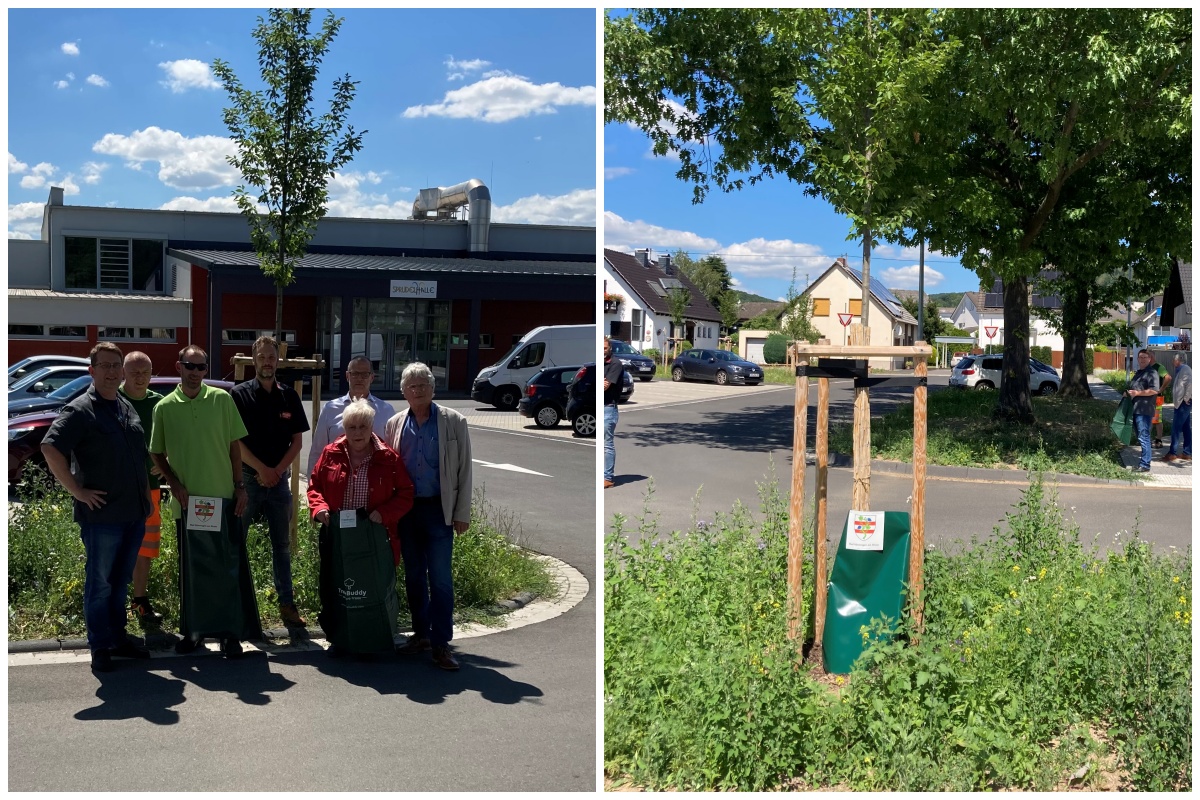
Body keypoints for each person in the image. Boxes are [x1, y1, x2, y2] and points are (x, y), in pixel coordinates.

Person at [41, 342, 152, 672]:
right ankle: (100, 645)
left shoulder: (124, 406)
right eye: (104, 365)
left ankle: (117, 638)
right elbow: (50, 448)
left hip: (134, 513)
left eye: (115, 365)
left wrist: (146, 498)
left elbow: (138, 457)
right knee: (101, 583)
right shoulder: (80, 410)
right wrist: (77, 490)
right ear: (91, 370)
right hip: (102, 517)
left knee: (120, 582)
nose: (112, 371)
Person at [150, 345, 254, 657]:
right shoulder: (164, 407)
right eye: (189, 366)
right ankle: (193, 633)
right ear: (178, 367)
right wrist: (174, 483)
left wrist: (240, 486)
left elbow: (235, 447)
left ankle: (229, 634)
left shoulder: (222, 399)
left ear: (206, 370)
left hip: (223, 499)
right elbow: (156, 452)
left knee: (227, 570)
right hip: (188, 504)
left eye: (201, 367)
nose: (195, 372)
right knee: (192, 573)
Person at [307, 398, 414, 655]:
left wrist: (385, 513)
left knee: (373, 588)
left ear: (371, 427)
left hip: (375, 534)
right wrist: (319, 508)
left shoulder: (388, 457)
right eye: (352, 427)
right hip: (339, 535)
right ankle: (341, 639)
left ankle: (376, 638)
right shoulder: (331, 452)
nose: (357, 433)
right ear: (345, 427)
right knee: (340, 588)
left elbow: (406, 493)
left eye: (363, 426)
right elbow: (315, 486)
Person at [385, 363, 472, 671]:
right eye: (412, 386)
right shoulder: (395, 424)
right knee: (413, 577)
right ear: (404, 391)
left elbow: (464, 470)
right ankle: (421, 635)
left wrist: (462, 512)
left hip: (439, 510)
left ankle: (441, 643)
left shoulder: (453, 421)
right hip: (406, 511)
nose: (418, 390)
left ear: (433, 389)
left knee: (441, 579)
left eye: (423, 385)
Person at [231, 336, 310, 628]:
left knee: (282, 546)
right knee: (235, 542)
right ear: (254, 360)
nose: (267, 362)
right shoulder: (238, 395)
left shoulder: (289, 396)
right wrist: (261, 469)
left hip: (278, 482)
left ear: (278, 360)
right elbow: (234, 442)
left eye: (271, 357)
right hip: (248, 482)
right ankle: (236, 604)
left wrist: (276, 470)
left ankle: (287, 606)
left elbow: (297, 440)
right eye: (262, 357)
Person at [119, 351, 166, 630]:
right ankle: (114, 603)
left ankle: (139, 599)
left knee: (145, 549)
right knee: (117, 546)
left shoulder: (158, 404)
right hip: (119, 491)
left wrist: (167, 461)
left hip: (150, 489)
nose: (140, 377)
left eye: (145, 372)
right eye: (134, 372)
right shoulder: (113, 399)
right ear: (124, 372)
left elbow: (172, 439)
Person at [306, 356, 395, 477]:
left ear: (372, 377)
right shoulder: (330, 409)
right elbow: (317, 451)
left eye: (364, 374)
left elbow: (393, 453)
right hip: (336, 482)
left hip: (376, 483)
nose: (359, 378)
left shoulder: (386, 411)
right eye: (355, 374)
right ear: (347, 376)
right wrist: (312, 485)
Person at [1126, 349, 1161, 473]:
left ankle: (1145, 464)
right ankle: (1143, 462)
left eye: (1145, 357)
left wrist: (1137, 393)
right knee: (1141, 437)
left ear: (1149, 359)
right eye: (1140, 357)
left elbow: (1154, 390)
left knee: (1144, 437)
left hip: (1145, 410)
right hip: (1136, 409)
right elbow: (1134, 389)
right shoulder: (1139, 372)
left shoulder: (1152, 373)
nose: (1142, 359)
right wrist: (1128, 394)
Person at [603, 337, 626, 489]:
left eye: (605, 348)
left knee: (607, 445)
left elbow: (604, 386)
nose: (602, 351)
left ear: (610, 348)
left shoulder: (615, 364)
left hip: (608, 408)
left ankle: (608, 478)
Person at [1164, 353, 1191, 463]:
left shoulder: (1185, 369)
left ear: (1178, 360)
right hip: (1181, 402)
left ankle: (1172, 453)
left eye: (1173, 359)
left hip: (1183, 403)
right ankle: (1187, 453)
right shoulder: (1181, 369)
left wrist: (1186, 398)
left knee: (1175, 428)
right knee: (1185, 428)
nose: (1172, 361)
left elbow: (1190, 384)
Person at [1152, 359, 1173, 448]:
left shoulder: (1159, 367)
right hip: (1149, 397)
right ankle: (1154, 440)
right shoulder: (1146, 366)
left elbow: (1168, 377)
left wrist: (1161, 389)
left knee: (1157, 419)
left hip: (1157, 397)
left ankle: (1158, 440)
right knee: (1153, 419)